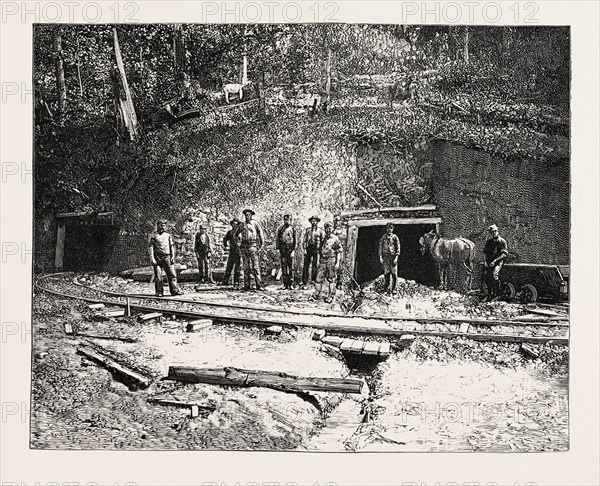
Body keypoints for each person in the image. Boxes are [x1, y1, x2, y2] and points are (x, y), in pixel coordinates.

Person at [148, 219, 184, 297]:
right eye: (161, 225)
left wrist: (173, 257)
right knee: (158, 276)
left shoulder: (168, 235)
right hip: (157, 258)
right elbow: (151, 247)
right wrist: (152, 259)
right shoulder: (154, 236)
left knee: (172, 274)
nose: (162, 227)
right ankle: (159, 291)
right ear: (158, 226)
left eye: (164, 225)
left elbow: (171, 247)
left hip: (167, 257)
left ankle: (174, 290)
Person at [313, 222, 343, 304]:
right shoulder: (323, 238)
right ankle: (316, 294)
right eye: (326, 228)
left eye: (330, 228)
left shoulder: (335, 239)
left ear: (332, 229)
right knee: (318, 278)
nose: (328, 230)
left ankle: (331, 296)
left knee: (332, 279)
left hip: (331, 260)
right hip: (323, 260)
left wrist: (337, 263)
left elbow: (339, 252)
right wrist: (318, 261)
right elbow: (319, 251)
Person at [236, 208, 265, 291]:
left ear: (251, 215)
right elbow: (236, 234)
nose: (247, 216)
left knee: (256, 267)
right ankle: (247, 285)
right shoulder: (242, 225)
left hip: (253, 246)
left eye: (249, 215)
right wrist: (238, 243)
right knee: (246, 267)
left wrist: (261, 245)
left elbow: (261, 234)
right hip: (244, 247)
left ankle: (259, 285)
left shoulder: (255, 223)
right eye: (246, 215)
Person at [483, 224, 508, 301]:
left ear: (498, 231)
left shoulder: (502, 241)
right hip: (490, 262)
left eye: (495, 231)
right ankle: (489, 294)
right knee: (486, 276)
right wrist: (486, 262)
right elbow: (486, 253)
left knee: (494, 274)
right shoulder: (489, 242)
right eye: (492, 232)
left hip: (498, 262)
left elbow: (504, 254)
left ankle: (497, 294)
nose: (493, 233)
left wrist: (495, 261)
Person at [302, 215, 324, 289]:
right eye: (313, 221)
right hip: (309, 248)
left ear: (317, 222)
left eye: (315, 221)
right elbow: (304, 240)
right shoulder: (308, 230)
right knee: (306, 265)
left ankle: (313, 280)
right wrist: (304, 249)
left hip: (316, 249)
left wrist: (321, 250)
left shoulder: (320, 231)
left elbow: (322, 241)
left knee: (315, 264)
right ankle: (304, 281)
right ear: (311, 222)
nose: (314, 222)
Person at [276, 214, 297, 290]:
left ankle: (291, 284)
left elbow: (295, 241)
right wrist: (278, 249)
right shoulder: (280, 229)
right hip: (283, 250)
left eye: (288, 219)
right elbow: (277, 240)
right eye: (285, 219)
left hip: (290, 250)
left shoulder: (293, 229)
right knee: (284, 268)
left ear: (290, 220)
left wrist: (293, 251)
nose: (287, 221)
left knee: (291, 268)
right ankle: (285, 284)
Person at [379, 223, 401, 295]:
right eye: (388, 228)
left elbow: (398, 247)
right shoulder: (383, 237)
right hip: (386, 257)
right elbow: (380, 247)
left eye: (391, 228)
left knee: (394, 274)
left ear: (393, 229)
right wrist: (380, 257)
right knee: (386, 273)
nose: (389, 230)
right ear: (386, 229)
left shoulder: (395, 237)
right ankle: (386, 289)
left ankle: (394, 290)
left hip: (393, 256)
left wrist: (396, 257)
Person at [221, 218, 241, 288]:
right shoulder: (230, 232)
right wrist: (226, 246)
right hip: (232, 252)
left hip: (239, 252)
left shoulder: (240, 233)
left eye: (236, 224)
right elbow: (225, 239)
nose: (234, 225)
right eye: (233, 224)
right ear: (232, 225)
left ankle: (236, 282)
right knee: (229, 267)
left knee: (237, 268)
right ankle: (225, 281)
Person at [333, 215, 345, 289]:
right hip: (333, 250)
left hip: (341, 250)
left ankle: (340, 282)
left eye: (338, 221)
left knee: (340, 265)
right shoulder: (333, 231)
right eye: (336, 221)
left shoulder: (343, 230)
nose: (337, 222)